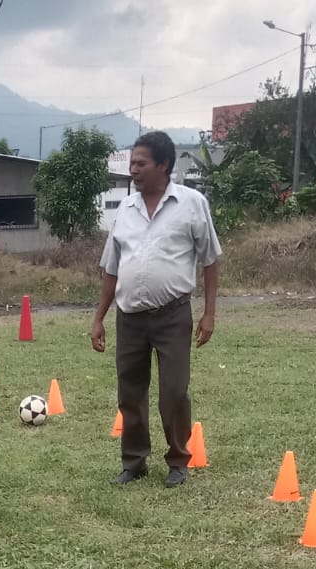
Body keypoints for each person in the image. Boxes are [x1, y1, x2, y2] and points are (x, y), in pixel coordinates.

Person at [91, 131, 221, 488]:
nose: (133, 169)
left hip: (172, 315)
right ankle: (134, 462)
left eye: (140, 163)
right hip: (129, 317)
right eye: (132, 163)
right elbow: (111, 268)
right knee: (129, 393)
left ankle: (178, 460)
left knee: (174, 392)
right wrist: (99, 318)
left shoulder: (192, 204)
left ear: (163, 165)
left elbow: (210, 260)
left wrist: (209, 313)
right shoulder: (125, 210)